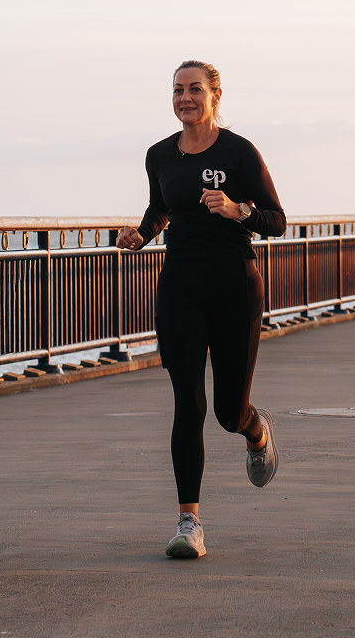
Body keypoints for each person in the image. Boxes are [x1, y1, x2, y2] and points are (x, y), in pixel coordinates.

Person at [116, 60, 286, 558]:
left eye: (194, 90)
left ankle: (255, 430)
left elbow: (276, 219)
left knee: (227, 412)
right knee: (188, 402)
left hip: (235, 288)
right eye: (177, 90)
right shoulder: (159, 156)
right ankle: (189, 523)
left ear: (215, 96)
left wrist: (239, 211)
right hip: (181, 288)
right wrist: (140, 235)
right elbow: (159, 210)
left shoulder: (240, 152)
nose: (185, 98)